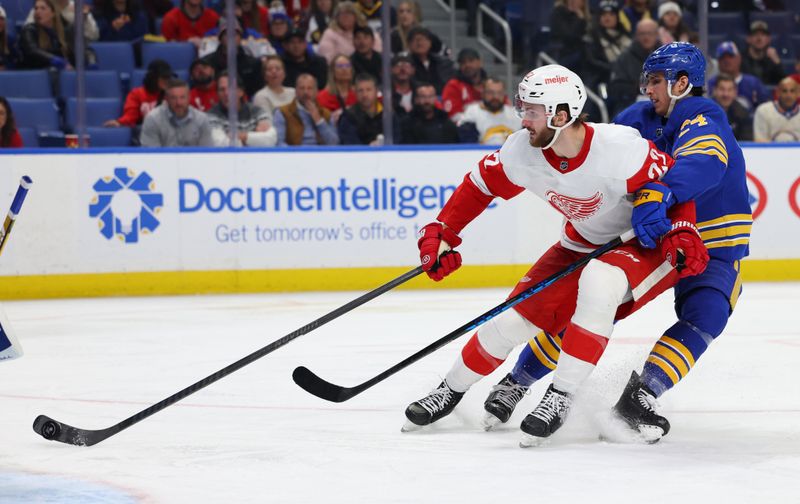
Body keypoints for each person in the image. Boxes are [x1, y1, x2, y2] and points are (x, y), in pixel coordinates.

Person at [403, 64, 706, 445]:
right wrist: (443, 232)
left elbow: (673, 187)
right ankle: (449, 390)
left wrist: (682, 229)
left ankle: (559, 397)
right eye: (522, 108)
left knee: (599, 283)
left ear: (561, 115)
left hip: (641, 243)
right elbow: (479, 187)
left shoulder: (618, 149)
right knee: (510, 322)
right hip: (582, 241)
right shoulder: (521, 152)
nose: (523, 119)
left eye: (532, 111)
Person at [502, 42, 752, 444]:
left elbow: (703, 162)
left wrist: (661, 193)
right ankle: (517, 380)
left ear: (682, 83)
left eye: (655, 81)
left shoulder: (704, 115)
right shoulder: (635, 118)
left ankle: (642, 393)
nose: (647, 88)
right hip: (649, 238)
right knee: (593, 307)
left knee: (707, 314)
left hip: (710, 240)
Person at [17, 0, 96, 70]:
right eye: (36, 8)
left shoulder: (66, 31)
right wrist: (53, 59)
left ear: (53, 13)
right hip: (36, 75)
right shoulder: (29, 30)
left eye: (43, 8)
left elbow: (86, 49)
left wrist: (91, 61)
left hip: (63, 74)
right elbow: (32, 50)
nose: (38, 11)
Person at [207, 71, 276, 146]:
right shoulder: (210, 116)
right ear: (217, 94)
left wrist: (241, 136)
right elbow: (220, 144)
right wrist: (254, 139)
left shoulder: (258, 112)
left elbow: (270, 140)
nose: (226, 93)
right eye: (221, 90)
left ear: (241, 92)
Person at [140, 78, 214, 147]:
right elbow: (151, 155)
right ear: (166, 99)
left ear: (189, 97)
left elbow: (206, 154)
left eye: (182, 97)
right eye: (173, 98)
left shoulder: (201, 119)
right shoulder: (153, 119)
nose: (178, 103)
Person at [200, 19, 264, 98]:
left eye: (235, 34)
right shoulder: (207, 63)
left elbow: (258, 92)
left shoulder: (254, 64)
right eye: (227, 34)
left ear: (240, 38)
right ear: (220, 38)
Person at [608, 18, 659, 116]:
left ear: (656, 35)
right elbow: (615, 88)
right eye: (642, 34)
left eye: (650, 33)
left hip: (661, 102)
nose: (646, 37)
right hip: (631, 103)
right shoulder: (624, 58)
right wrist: (638, 88)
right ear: (636, 36)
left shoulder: (665, 56)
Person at [273, 73, 339, 145]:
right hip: (295, 154)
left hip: (319, 154)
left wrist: (319, 121)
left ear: (316, 92)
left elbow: (334, 143)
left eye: (309, 88)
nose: (305, 92)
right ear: (296, 91)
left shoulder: (326, 113)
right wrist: (295, 154)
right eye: (302, 88)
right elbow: (279, 143)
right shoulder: (282, 112)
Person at [105, 59, 172, 129]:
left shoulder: (172, 94)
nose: (167, 81)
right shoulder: (136, 94)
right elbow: (130, 116)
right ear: (153, 78)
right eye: (164, 77)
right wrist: (119, 122)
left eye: (169, 77)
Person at [709, 41, 769, 112]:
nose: (727, 60)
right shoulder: (710, 84)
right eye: (723, 58)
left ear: (739, 58)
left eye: (730, 56)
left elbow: (766, 108)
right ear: (718, 62)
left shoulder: (753, 83)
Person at [457, 77, 520, 144]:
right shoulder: (472, 113)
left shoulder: (515, 115)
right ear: (482, 93)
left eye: (499, 93)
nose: (495, 96)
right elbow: (469, 146)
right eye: (490, 92)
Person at [338, 73, 395, 144]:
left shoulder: (389, 115)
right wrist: (368, 149)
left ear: (376, 91)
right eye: (360, 91)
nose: (365, 95)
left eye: (369, 90)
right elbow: (349, 143)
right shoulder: (348, 117)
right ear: (355, 92)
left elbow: (397, 140)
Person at [585, 0, 631, 88]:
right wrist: (612, 68)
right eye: (604, 14)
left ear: (617, 17)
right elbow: (592, 61)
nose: (607, 17)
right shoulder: (592, 36)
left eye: (611, 14)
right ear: (599, 17)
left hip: (628, 77)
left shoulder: (626, 35)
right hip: (602, 79)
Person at [441, 48, 485, 123]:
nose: (467, 65)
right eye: (463, 63)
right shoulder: (453, 85)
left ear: (479, 62)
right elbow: (452, 116)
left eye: (471, 61)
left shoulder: (490, 84)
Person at [406, 26, 453, 95]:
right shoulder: (406, 63)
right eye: (415, 40)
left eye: (423, 39)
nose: (420, 43)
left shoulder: (443, 63)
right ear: (409, 44)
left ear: (430, 42)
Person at [25, 0, 100, 41]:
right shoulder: (41, 8)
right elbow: (27, 31)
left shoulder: (78, 8)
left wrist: (84, 18)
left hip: (70, 54)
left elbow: (94, 36)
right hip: (45, 51)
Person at [548, 0, 589, 75]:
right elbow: (569, 35)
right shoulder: (559, 12)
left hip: (579, 52)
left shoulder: (587, 15)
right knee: (586, 57)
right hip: (563, 53)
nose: (574, 1)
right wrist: (580, 19)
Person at [753, 76, 800, 142]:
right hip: (768, 151)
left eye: (792, 91)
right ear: (777, 93)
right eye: (784, 91)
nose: (788, 95)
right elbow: (759, 140)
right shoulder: (763, 110)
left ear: (798, 93)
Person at [741, 20, 785, 86]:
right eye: (755, 34)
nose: (759, 38)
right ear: (748, 39)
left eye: (763, 35)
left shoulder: (772, 60)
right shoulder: (740, 59)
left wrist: (777, 62)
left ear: (768, 39)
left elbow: (784, 82)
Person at [711, 73, 753, 141]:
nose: (726, 94)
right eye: (722, 89)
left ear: (735, 92)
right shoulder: (705, 111)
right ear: (715, 90)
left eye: (730, 90)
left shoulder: (743, 113)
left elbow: (747, 141)